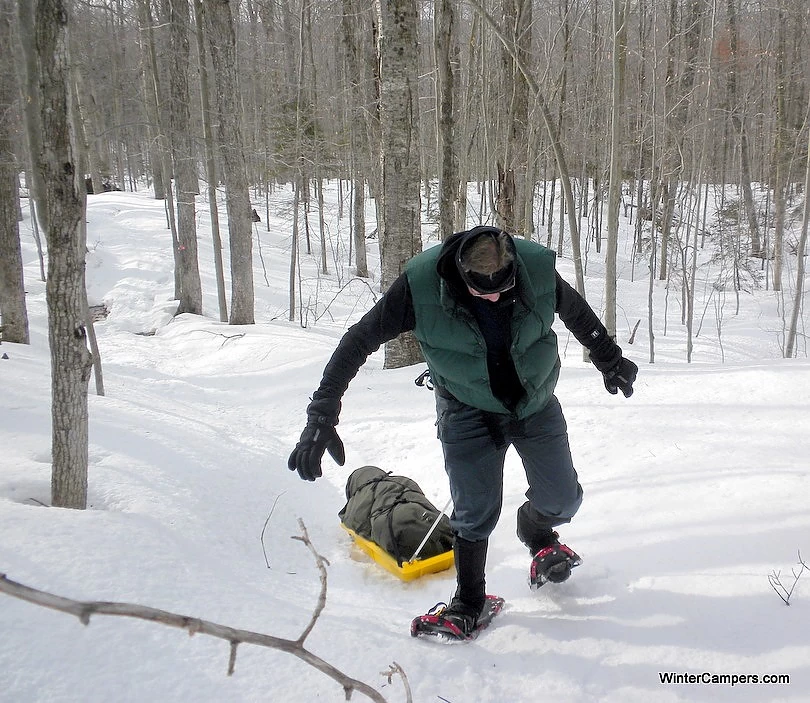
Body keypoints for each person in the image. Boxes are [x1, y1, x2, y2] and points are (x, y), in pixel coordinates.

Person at [288, 225, 637, 636]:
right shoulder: (419, 287)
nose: (493, 297)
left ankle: (536, 530)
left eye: (502, 289)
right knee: (474, 513)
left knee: (563, 498)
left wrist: (608, 357)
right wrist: (322, 414)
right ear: (458, 273)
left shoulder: (534, 269)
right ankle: (469, 601)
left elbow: (576, 312)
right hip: (466, 410)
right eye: (481, 291)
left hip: (534, 403)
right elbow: (358, 341)